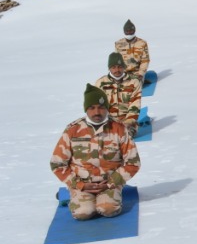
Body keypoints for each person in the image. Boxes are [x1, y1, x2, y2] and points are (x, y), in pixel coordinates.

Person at [50, 84, 141, 221]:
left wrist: (111, 183)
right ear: (86, 109)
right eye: (92, 108)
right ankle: (75, 195)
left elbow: (133, 163)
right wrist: (78, 184)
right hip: (82, 184)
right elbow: (57, 164)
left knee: (108, 209)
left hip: (109, 183)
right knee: (83, 213)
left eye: (101, 107)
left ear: (107, 109)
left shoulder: (119, 129)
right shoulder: (73, 130)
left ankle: (107, 197)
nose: (97, 112)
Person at [96, 52, 142, 138]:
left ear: (124, 67)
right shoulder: (101, 83)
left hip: (127, 122)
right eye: (113, 67)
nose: (117, 70)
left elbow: (135, 104)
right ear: (109, 68)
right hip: (107, 121)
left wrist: (128, 121)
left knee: (124, 135)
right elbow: (97, 106)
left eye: (120, 67)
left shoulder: (133, 82)